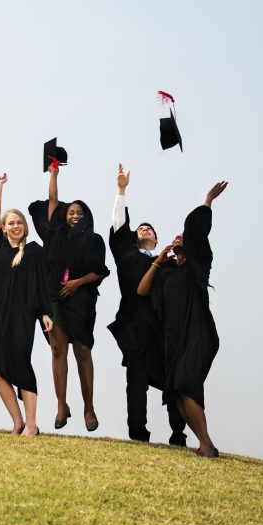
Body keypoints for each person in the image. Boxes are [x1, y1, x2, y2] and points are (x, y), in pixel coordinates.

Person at [137, 180, 229, 457]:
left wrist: (208, 201)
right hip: (175, 340)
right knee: (176, 392)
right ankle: (206, 443)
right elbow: (142, 290)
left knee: (186, 383)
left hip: (198, 335)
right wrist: (159, 259)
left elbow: (197, 233)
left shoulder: (196, 269)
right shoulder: (166, 275)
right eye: (175, 237)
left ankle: (206, 445)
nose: (178, 239)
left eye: (182, 238)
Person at [106, 163, 187, 445]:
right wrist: (121, 190)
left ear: (157, 239)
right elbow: (118, 226)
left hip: (163, 329)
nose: (143, 229)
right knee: (136, 382)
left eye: (149, 228)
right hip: (135, 327)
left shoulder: (165, 264)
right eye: (139, 227)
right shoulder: (126, 256)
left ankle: (179, 432)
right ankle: (138, 431)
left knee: (173, 380)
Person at [28, 163, 110, 431]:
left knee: (83, 350)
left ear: (86, 216)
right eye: (70, 212)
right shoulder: (53, 236)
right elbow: (53, 200)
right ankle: (61, 405)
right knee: (57, 350)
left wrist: (77, 283)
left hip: (82, 298)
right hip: (54, 297)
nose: (74, 215)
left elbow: (99, 270)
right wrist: (53, 174)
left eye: (79, 212)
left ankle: (89, 407)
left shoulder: (95, 239)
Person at [0, 173, 54, 436]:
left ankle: (32, 423)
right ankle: (17, 421)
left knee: (21, 363)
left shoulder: (35, 250)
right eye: (11, 223)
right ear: (4, 228)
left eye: (19, 223)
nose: (15, 226)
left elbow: (42, 285)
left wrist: (46, 313)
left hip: (22, 316)